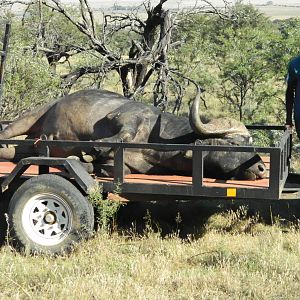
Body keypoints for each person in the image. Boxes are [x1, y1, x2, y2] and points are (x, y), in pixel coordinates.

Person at [285, 55, 300, 137]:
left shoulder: (294, 64)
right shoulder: (295, 64)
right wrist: (288, 119)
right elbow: (290, 92)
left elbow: (289, 93)